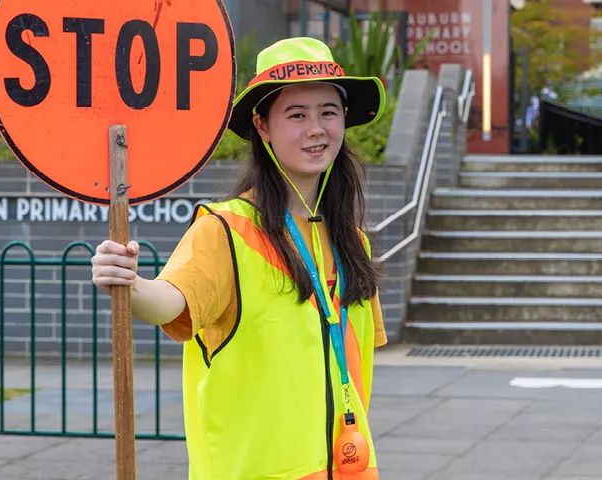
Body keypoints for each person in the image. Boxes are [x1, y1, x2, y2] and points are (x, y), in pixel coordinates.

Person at [90, 36, 388, 480]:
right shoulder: (226, 230)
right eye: (296, 114)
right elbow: (170, 302)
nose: (316, 128)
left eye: (329, 112)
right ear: (262, 126)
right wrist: (130, 283)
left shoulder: (353, 243)